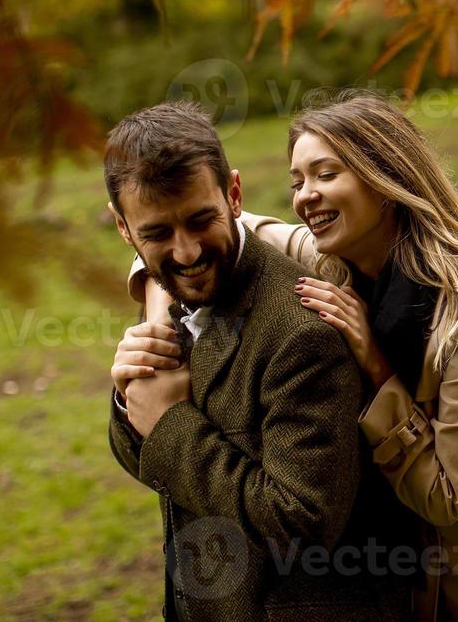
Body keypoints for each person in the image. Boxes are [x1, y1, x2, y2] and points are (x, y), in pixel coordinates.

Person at [124, 90, 458, 621]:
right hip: (420, 585)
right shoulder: (329, 256)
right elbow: (207, 234)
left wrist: (378, 369)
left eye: (325, 174)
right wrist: (158, 323)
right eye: (297, 182)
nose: (305, 196)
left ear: (385, 179)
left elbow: (445, 497)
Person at [104, 100, 414, 621]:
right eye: (157, 234)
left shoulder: (300, 334)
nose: (185, 253)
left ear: (234, 194)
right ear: (124, 230)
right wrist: (127, 399)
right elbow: (150, 461)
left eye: (201, 221)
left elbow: (303, 522)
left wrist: (168, 423)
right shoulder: (170, 297)